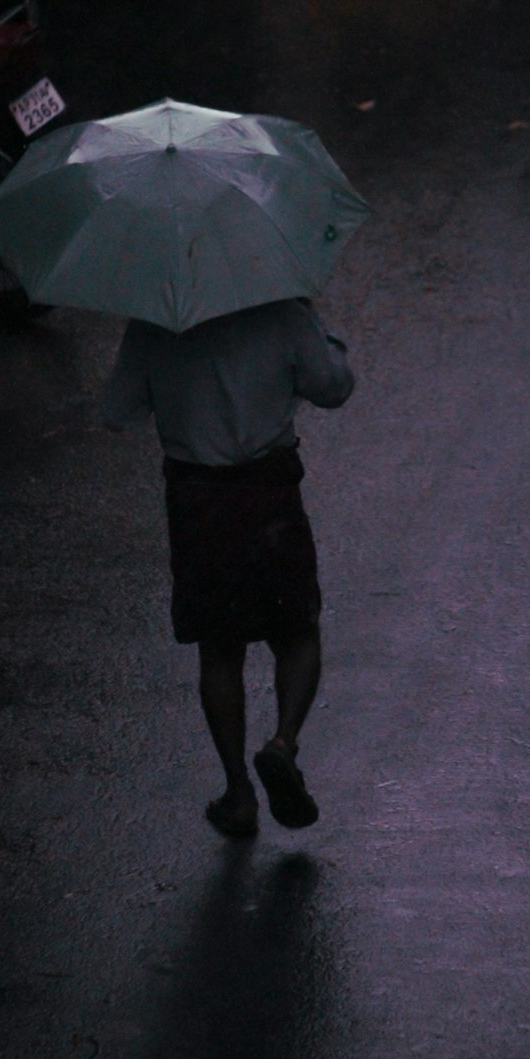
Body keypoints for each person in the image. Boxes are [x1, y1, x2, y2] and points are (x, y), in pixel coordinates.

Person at [101, 297, 355, 838]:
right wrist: (326, 344)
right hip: (269, 492)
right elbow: (333, 388)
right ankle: (284, 741)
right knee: (297, 630)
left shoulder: (155, 317)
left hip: (197, 500)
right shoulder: (282, 308)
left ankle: (238, 791)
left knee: (219, 648)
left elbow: (117, 410)